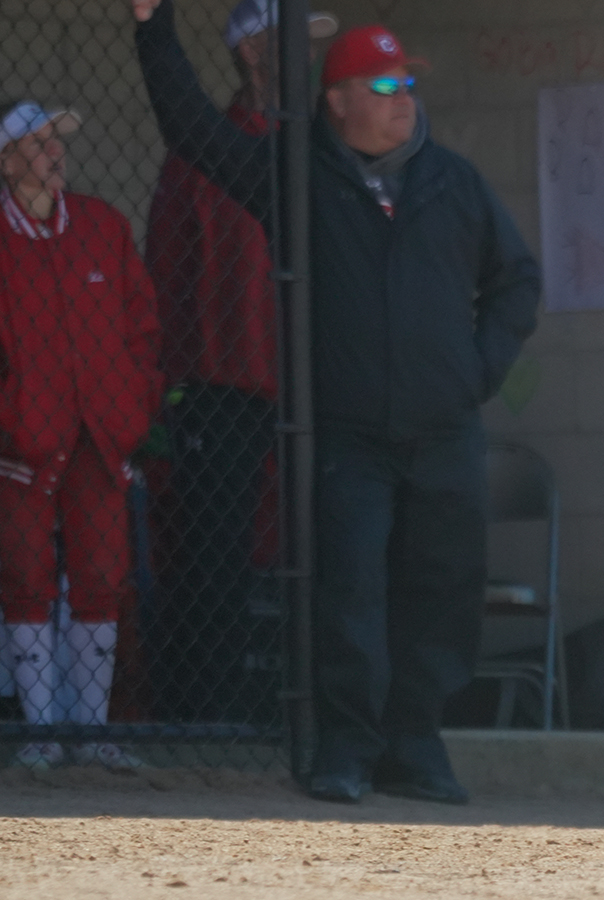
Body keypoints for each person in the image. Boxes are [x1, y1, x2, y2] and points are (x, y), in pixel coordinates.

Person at [132, 0, 541, 804]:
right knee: (348, 592)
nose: (403, 98)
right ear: (339, 100)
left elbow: (516, 281)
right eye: (383, 84)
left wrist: (473, 372)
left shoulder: (451, 180)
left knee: (440, 591)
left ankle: (416, 749)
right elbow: (192, 133)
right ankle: (347, 751)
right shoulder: (293, 173)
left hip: (445, 431)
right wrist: (153, 28)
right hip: (349, 436)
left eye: (408, 82)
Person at [145, 0, 339, 725]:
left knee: (318, 554)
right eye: (291, 41)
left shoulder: (318, 149)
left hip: (309, 393)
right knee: (213, 564)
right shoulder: (211, 149)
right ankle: (207, 721)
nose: (307, 56)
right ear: (253, 51)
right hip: (224, 391)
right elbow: (165, 273)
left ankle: (305, 718)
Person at [0, 99, 162, 770]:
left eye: (56, 141)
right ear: (5, 163)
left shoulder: (102, 226)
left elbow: (142, 331)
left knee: (102, 571)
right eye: (35, 145)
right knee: (24, 574)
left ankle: (92, 735)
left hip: (100, 433)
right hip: (20, 440)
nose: (53, 153)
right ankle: (40, 736)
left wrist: (130, 410)